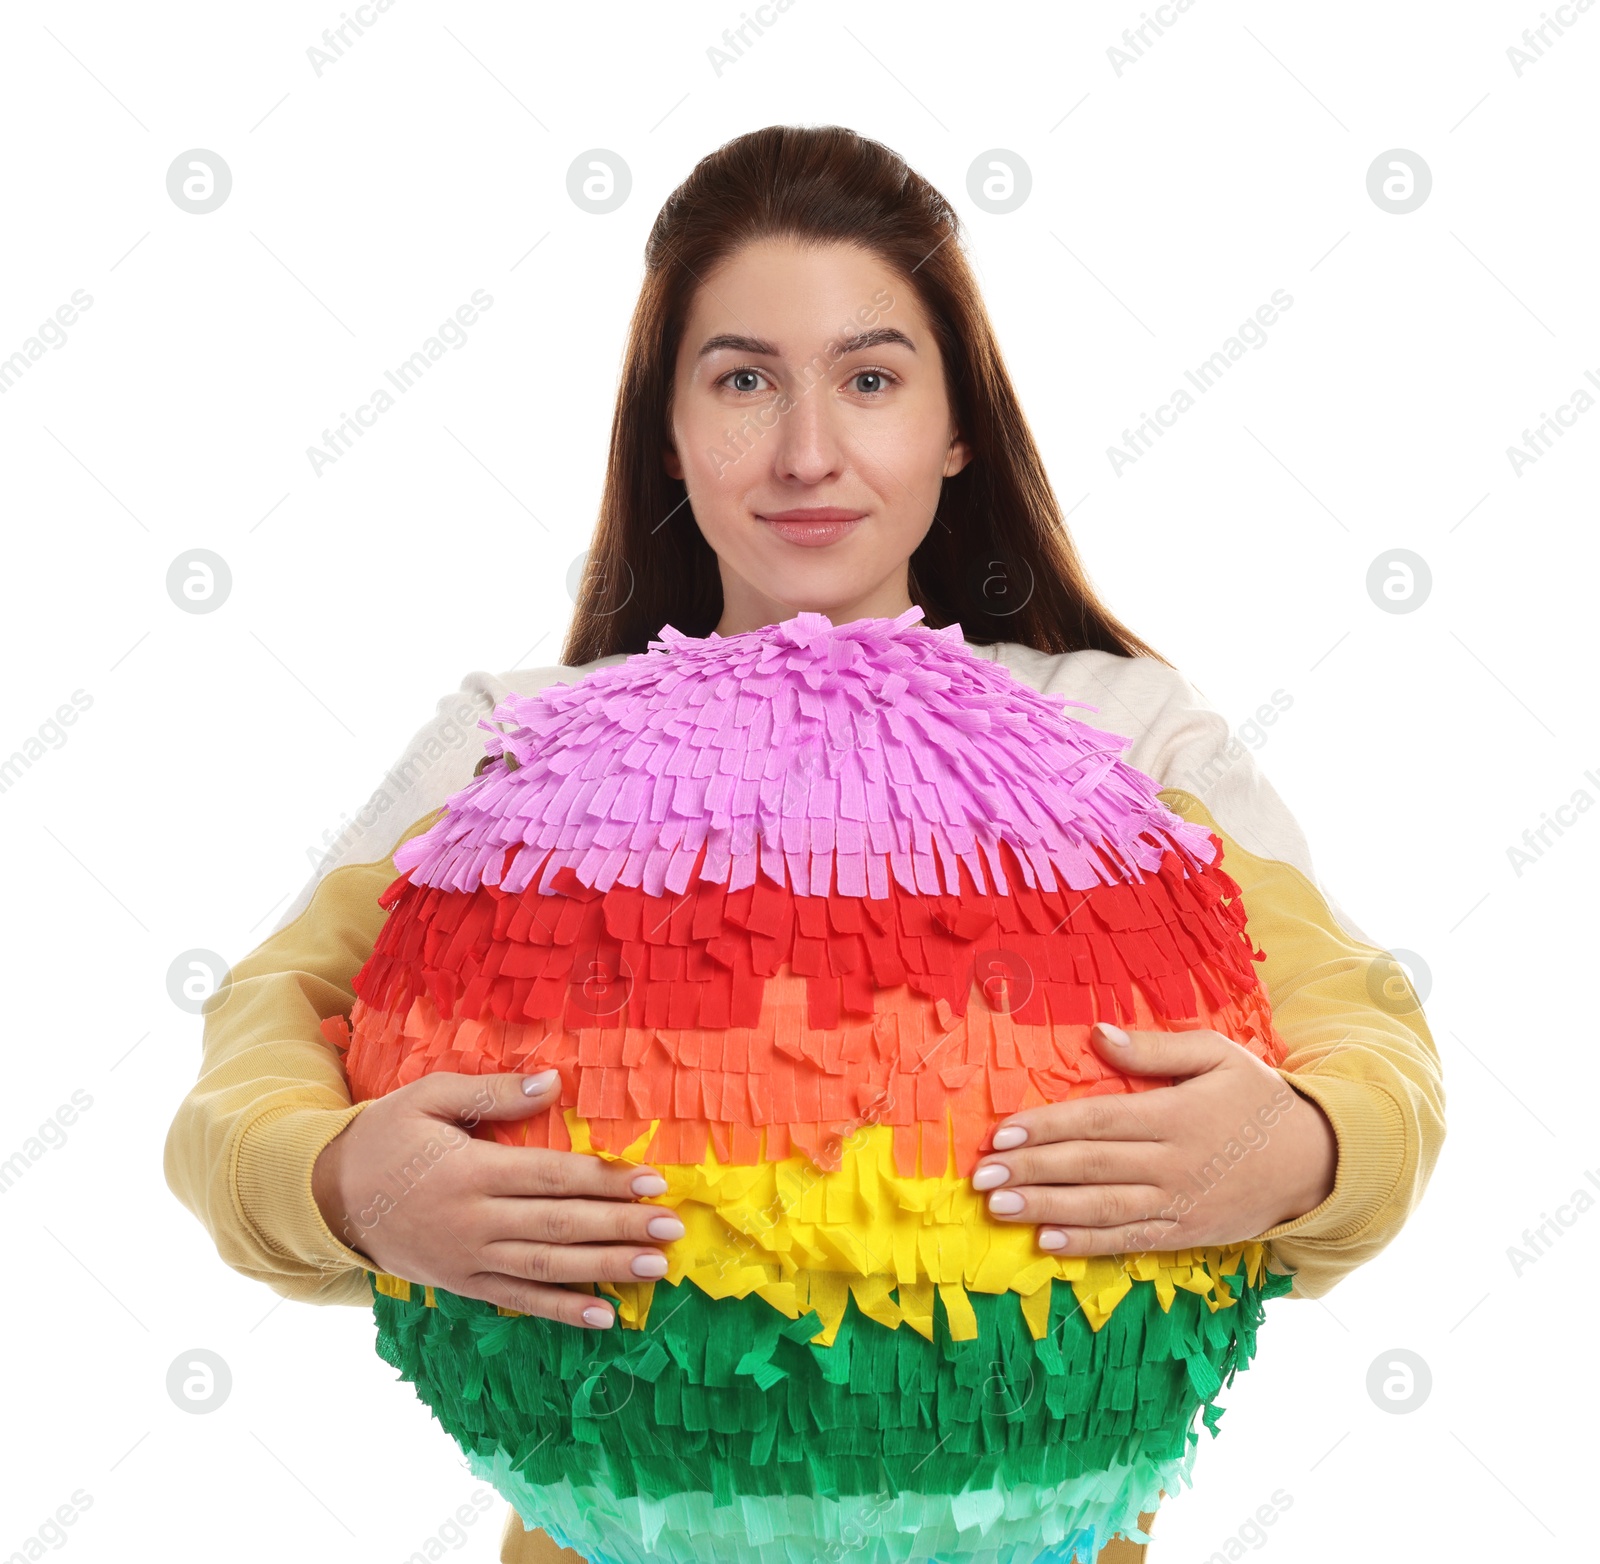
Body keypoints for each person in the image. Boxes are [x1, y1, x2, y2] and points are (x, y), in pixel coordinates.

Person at [163, 124, 1445, 1564]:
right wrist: (347, 1184)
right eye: (744, 382)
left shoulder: (1129, 737)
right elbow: (249, 1052)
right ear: (667, 425)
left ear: (957, 427)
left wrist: (1308, 1148)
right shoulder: (510, 744)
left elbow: (1374, 1037)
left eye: (872, 379)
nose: (808, 453)